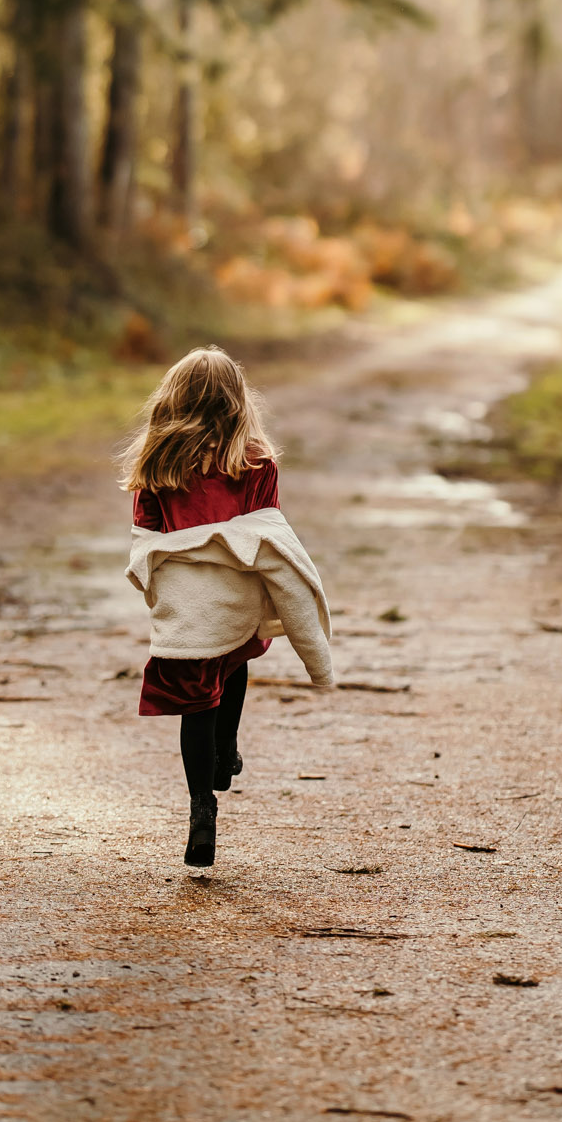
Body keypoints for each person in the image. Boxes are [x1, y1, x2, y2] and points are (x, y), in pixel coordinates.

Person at [121, 346, 333, 870]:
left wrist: (158, 579)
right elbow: (266, 526)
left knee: (196, 697)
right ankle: (227, 749)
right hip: (234, 590)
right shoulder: (256, 459)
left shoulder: (157, 460)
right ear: (237, 402)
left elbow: (146, 532)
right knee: (236, 655)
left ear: (173, 399)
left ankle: (201, 808)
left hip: (191, 600)